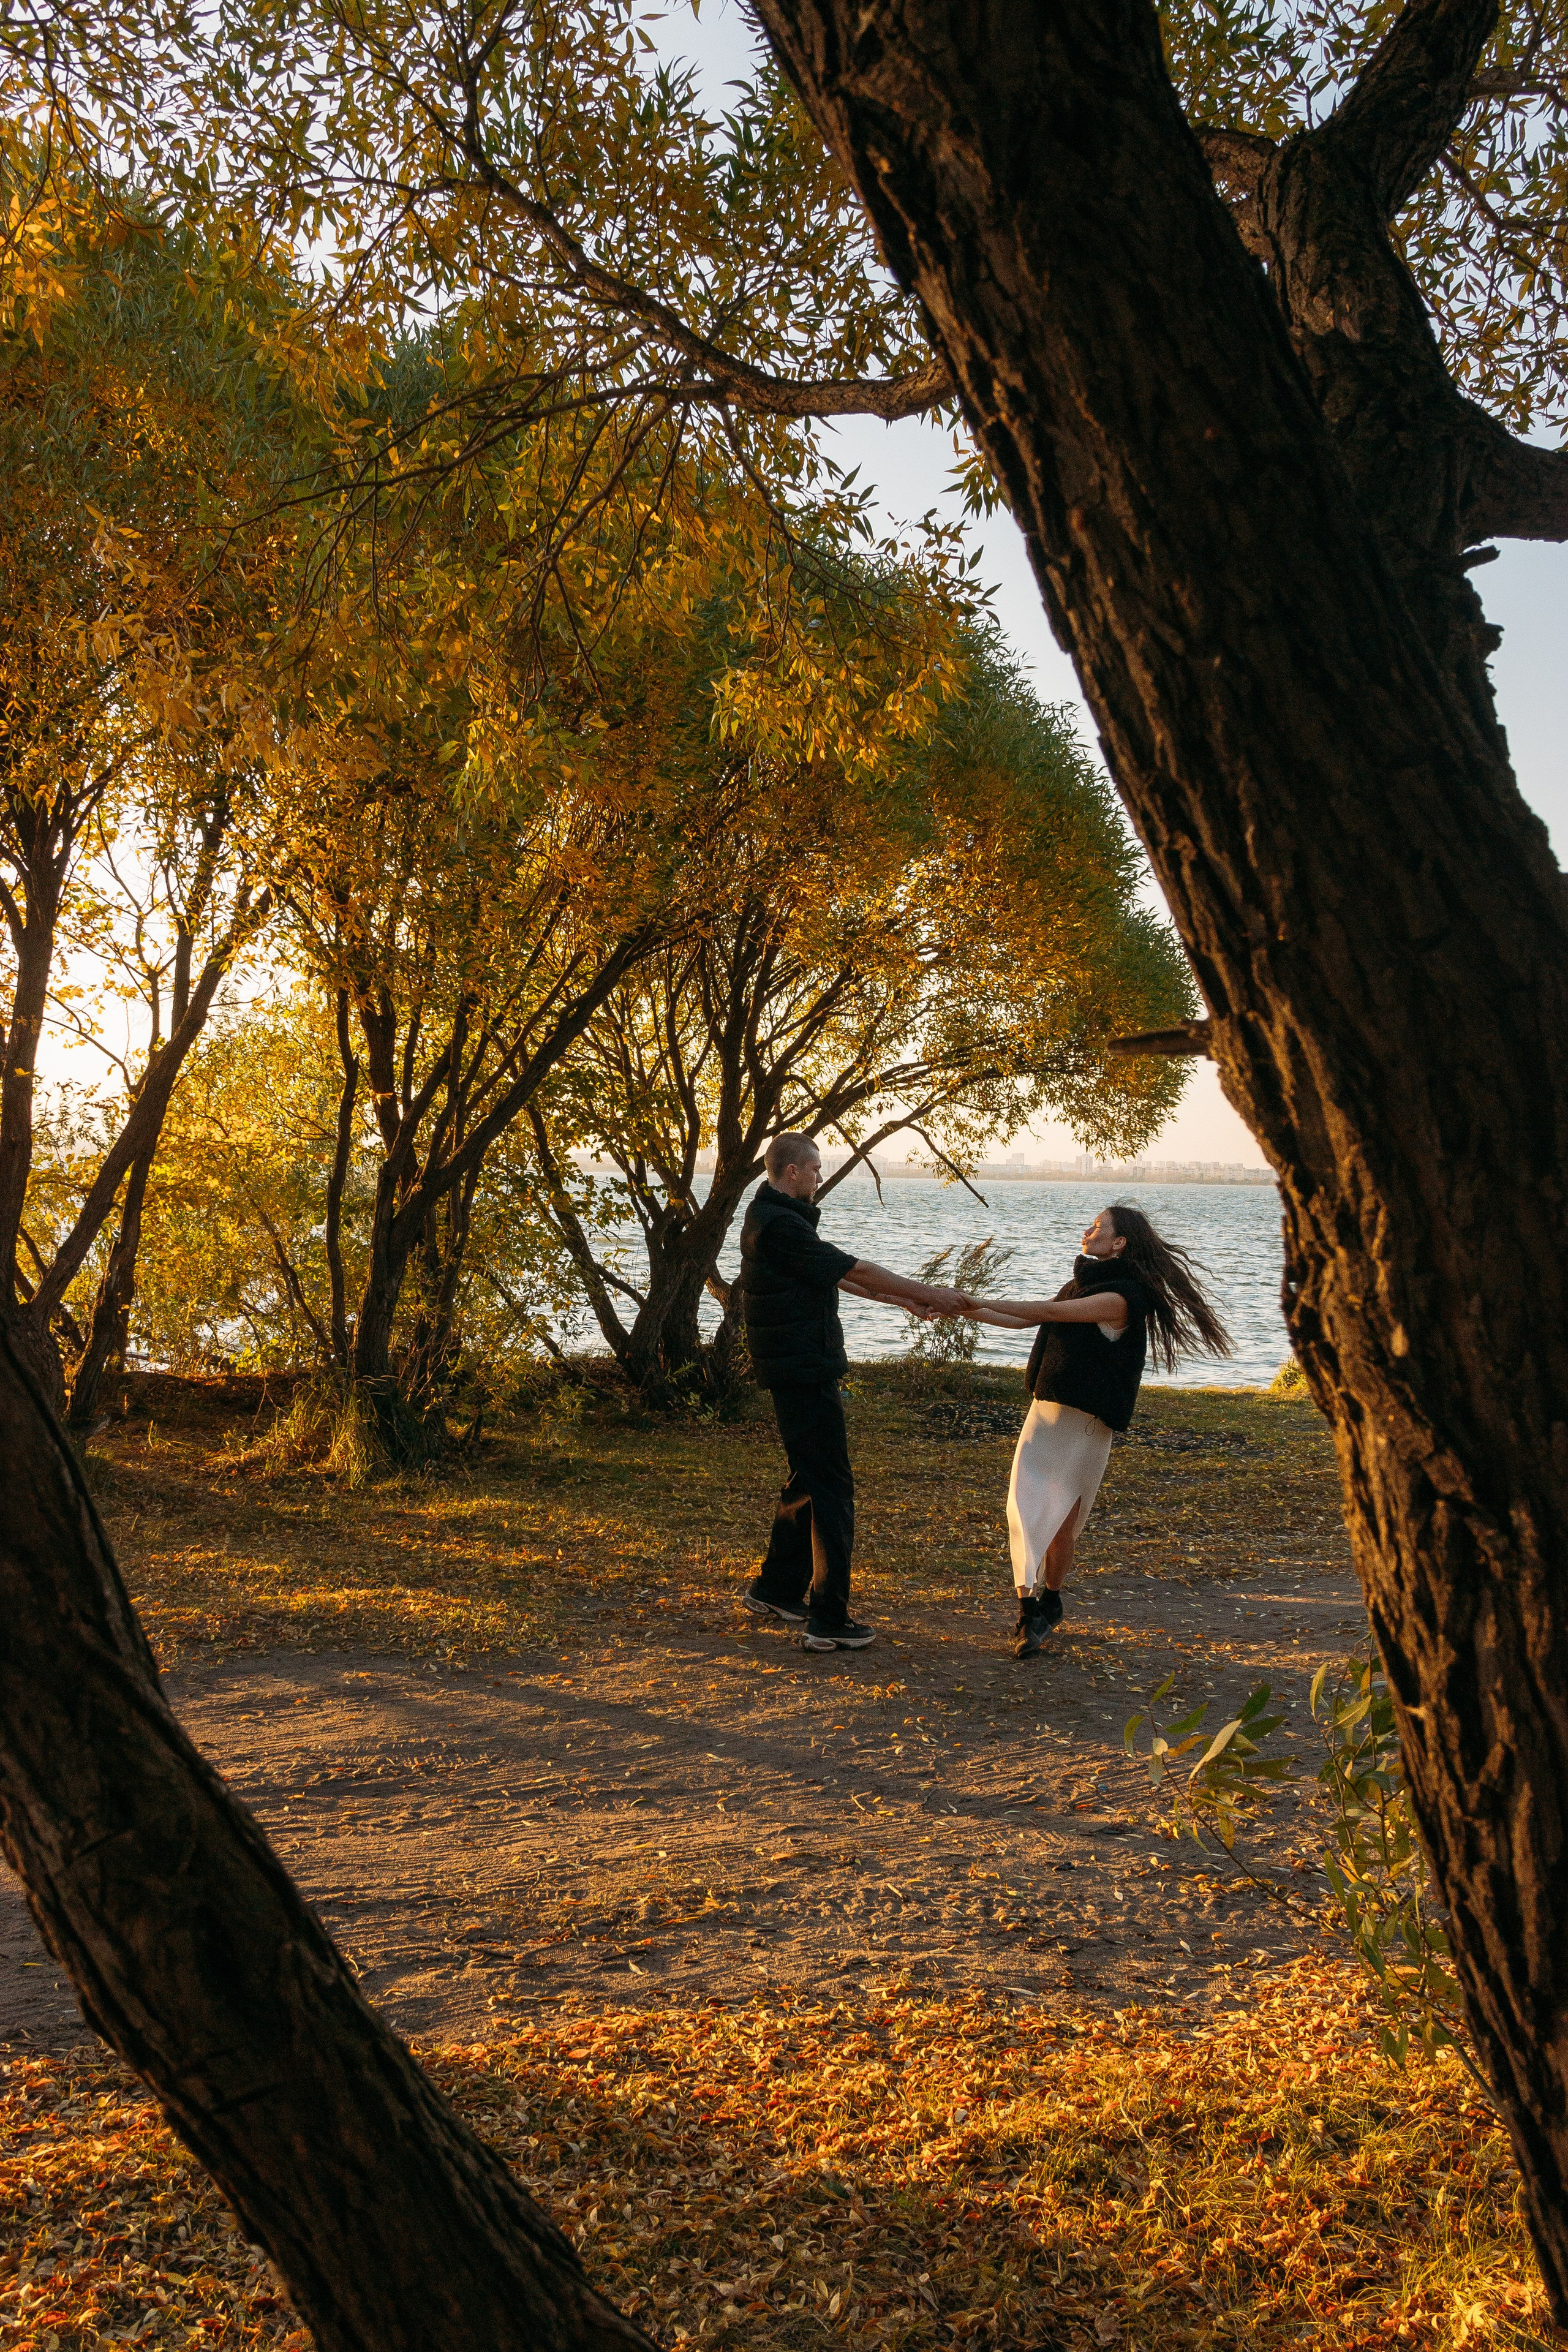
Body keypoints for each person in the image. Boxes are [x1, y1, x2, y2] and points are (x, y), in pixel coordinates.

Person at [965, 1203, 1232, 1657]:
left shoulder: (1122, 1297)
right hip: (1045, 1416)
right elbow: (1026, 1318)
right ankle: (1029, 1612)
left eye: (1097, 1226)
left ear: (1120, 1242)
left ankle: (1051, 1597)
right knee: (1023, 1509)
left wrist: (970, 1301)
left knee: (1064, 1525)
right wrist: (960, 1309)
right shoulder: (1080, 1285)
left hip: (1085, 1427)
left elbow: (1045, 1310)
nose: (1087, 1230)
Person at [737, 1133, 965, 1653]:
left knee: (807, 1478)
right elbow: (853, 1268)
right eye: (815, 1169)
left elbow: (836, 1278)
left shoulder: (774, 1217)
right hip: (803, 1369)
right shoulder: (780, 1224)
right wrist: (928, 1293)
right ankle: (829, 1621)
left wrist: (900, 1303)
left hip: (797, 1365)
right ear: (791, 1171)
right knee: (833, 1489)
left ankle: (775, 1590)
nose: (820, 1177)